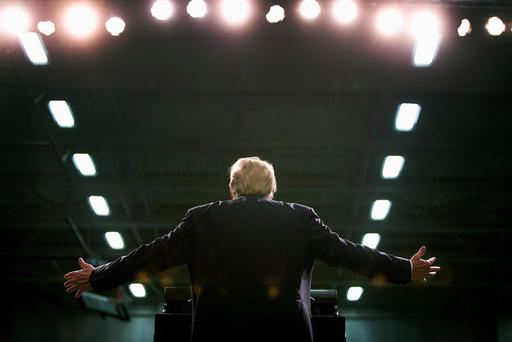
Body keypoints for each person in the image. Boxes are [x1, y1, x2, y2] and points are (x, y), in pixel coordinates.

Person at [64, 156, 440, 342]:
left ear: (231, 189)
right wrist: (404, 269)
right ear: (273, 189)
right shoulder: (300, 218)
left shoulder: (202, 218)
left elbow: (149, 256)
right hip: (286, 336)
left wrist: (98, 277)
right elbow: (351, 254)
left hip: (218, 336)